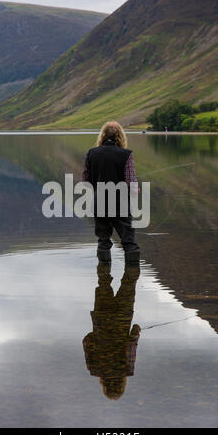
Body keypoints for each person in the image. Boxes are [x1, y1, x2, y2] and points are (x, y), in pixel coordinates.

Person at [82, 121, 140, 265]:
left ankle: (103, 277)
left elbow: (85, 181)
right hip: (120, 204)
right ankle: (131, 276)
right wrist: (135, 191)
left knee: (103, 240)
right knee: (129, 242)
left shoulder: (91, 153)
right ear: (120, 136)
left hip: (99, 202)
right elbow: (130, 180)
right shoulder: (126, 154)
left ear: (102, 135)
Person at [83, 263, 141, 400]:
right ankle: (104, 245)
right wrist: (98, 333)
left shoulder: (126, 370)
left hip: (123, 315)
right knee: (104, 282)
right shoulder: (93, 368)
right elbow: (86, 341)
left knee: (129, 281)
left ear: (122, 385)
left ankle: (131, 250)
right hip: (101, 317)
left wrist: (136, 330)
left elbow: (131, 343)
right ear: (104, 386)